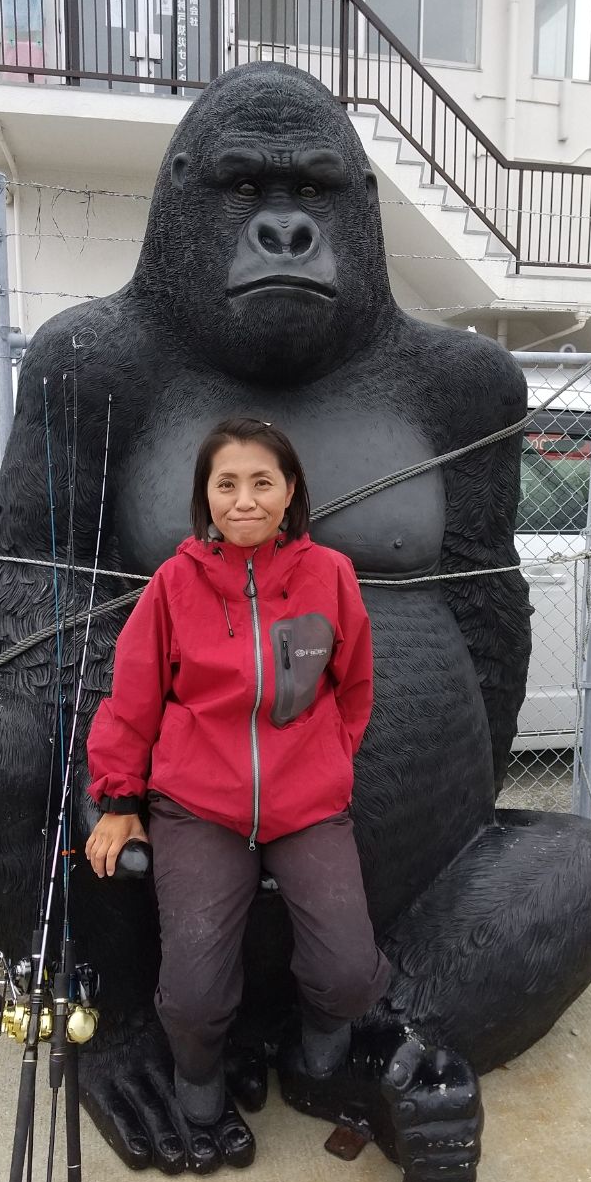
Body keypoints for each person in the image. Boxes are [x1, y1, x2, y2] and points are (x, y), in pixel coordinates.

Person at [85, 417, 390, 1126]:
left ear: (291, 492)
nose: (244, 499)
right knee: (192, 996)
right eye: (227, 484)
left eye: (262, 482)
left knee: (348, 974)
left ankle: (319, 1045)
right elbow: (130, 699)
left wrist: (328, 757)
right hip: (198, 807)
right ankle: (198, 1071)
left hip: (307, 802)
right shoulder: (172, 584)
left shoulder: (331, 576)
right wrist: (120, 800)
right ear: (206, 496)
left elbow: (354, 687)